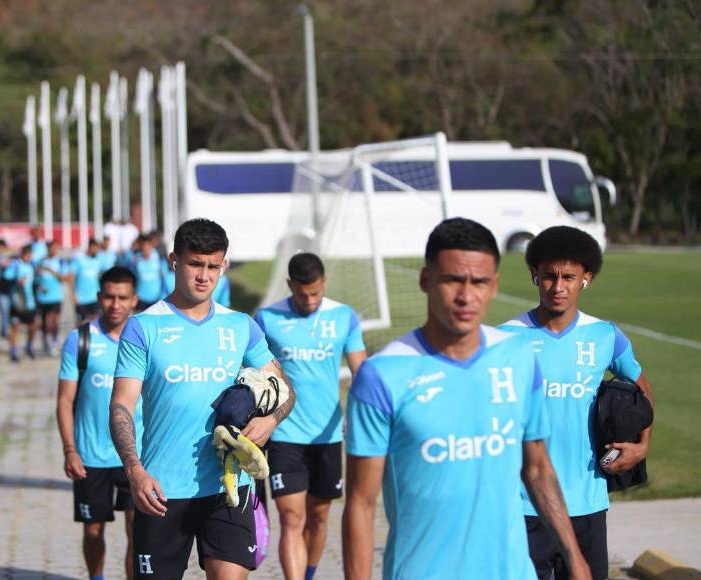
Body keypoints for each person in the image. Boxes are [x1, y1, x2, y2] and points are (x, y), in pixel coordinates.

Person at [342, 217, 591, 580]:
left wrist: (576, 559)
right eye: (452, 280)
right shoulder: (382, 375)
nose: (466, 296)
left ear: (494, 287)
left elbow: (537, 468)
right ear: (426, 281)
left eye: (479, 282)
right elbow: (361, 506)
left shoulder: (519, 358)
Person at [110, 218, 296, 580]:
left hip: (229, 489)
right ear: (174, 261)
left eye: (214, 266)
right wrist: (134, 471)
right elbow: (121, 406)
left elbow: (285, 389)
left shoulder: (240, 325)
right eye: (195, 263)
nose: (204, 276)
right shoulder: (144, 326)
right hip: (162, 489)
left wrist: (270, 421)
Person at [499, 225, 654, 580]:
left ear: (587, 278)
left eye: (569, 277)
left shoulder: (605, 335)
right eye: (549, 276)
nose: (558, 286)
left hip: (586, 501)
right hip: (523, 504)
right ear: (533, 275)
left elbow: (643, 394)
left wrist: (641, 447)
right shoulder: (505, 339)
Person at [254, 252, 366, 580]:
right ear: (290, 285)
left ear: (324, 283)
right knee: (291, 518)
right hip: (284, 434)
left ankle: (308, 574)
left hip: (328, 436)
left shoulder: (344, 317)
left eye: (315, 292)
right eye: (302, 293)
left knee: (318, 518)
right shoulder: (266, 318)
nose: (310, 300)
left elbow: (362, 374)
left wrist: (362, 413)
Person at [57, 266, 143, 580]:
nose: (115, 304)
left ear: (134, 299)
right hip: (91, 456)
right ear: (99, 298)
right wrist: (70, 450)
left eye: (123, 297)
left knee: (138, 530)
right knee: (94, 531)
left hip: (135, 456)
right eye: (109, 297)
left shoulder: (146, 339)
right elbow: (65, 400)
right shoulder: (80, 340)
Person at [4, 245, 38, 362]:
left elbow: (35, 281)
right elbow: (6, 276)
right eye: (27, 255)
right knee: (15, 327)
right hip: (17, 302)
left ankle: (29, 346)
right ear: (23, 254)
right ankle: (13, 351)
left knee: (33, 326)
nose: (29, 257)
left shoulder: (32, 266)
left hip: (30, 302)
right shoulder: (15, 264)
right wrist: (16, 280)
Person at [36, 240, 70, 356]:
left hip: (56, 296)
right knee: (45, 320)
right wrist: (39, 286)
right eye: (51, 248)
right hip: (43, 297)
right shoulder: (41, 262)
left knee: (54, 319)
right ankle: (46, 340)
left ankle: (54, 341)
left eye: (55, 248)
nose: (53, 250)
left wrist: (52, 271)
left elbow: (65, 278)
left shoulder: (60, 262)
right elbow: (36, 278)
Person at [73, 240, 105, 323]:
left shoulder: (98, 262)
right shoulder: (79, 260)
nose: (97, 251)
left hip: (94, 297)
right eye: (95, 248)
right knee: (81, 323)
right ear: (90, 247)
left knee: (95, 322)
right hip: (81, 298)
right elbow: (71, 279)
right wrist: (74, 295)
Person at [130, 235, 164, 312]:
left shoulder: (158, 257)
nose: (145, 249)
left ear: (151, 246)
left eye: (148, 246)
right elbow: (132, 277)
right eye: (143, 246)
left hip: (156, 297)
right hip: (141, 297)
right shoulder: (135, 260)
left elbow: (163, 276)